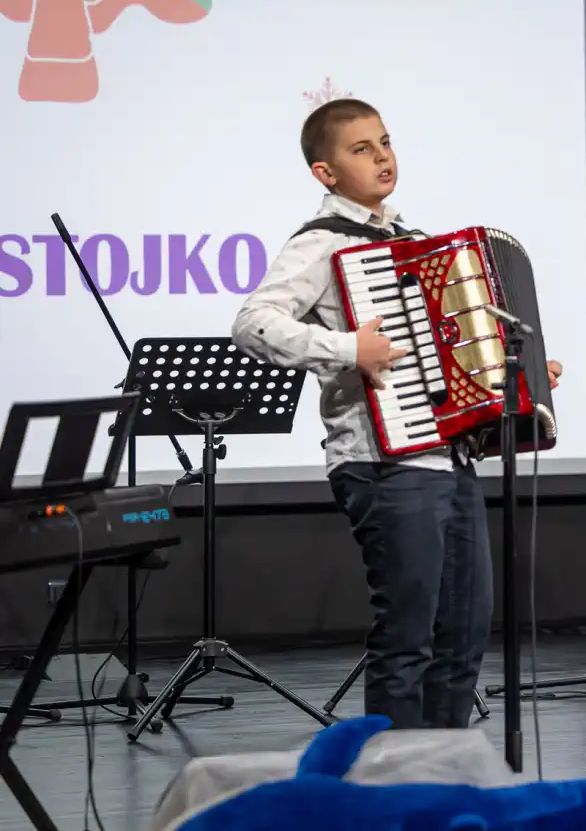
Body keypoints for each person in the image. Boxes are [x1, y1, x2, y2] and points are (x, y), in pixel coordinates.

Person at [230, 98, 563, 729]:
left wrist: (514, 380)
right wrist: (347, 347)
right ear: (324, 172)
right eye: (362, 149)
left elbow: (455, 360)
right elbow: (252, 323)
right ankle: (394, 793)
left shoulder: (415, 243)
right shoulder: (322, 245)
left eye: (385, 142)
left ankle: (442, 776)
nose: (383, 157)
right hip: (382, 464)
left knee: (463, 635)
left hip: (448, 460)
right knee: (407, 637)